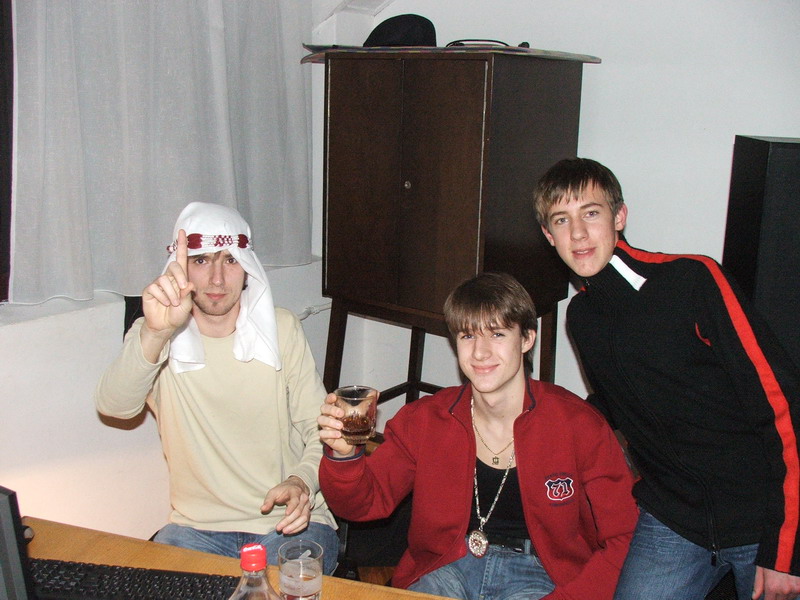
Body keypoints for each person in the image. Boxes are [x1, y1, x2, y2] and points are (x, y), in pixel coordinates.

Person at [534, 157, 800, 600]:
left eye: (591, 213)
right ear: (549, 235)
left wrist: (788, 550)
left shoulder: (692, 280)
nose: (577, 233)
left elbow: (784, 404)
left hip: (762, 516)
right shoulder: (582, 317)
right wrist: (530, 419)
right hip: (673, 518)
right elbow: (613, 407)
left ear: (619, 216)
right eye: (562, 220)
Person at [317, 272, 638, 600]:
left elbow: (626, 538)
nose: (480, 353)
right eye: (468, 335)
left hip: (540, 574)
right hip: (446, 565)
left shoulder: (578, 424)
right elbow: (364, 504)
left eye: (497, 334)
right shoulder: (425, 420)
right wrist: (344, 456)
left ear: (527, 339)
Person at [95, 202, 338, 573]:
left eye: (230, 261)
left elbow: (320, 432)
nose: (217, 280)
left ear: (247, 268)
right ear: (181, 269)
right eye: (201, 260)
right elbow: (114, 406)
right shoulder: (155, 335)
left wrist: (300, 481)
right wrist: (157, 332)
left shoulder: (281, 329)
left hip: (287, 523)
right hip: (195, 529)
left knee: (278, 589)